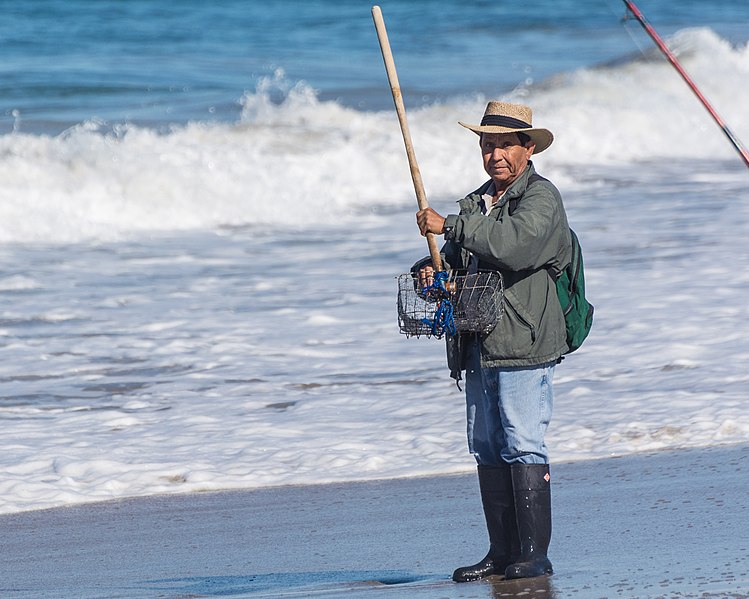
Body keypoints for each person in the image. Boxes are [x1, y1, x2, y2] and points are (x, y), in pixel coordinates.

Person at [414, 101, 571, 582]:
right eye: (488, 145)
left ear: (528, 148)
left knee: (523, 443)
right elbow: (463, 256)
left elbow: (514, 245)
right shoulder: (476, 202)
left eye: (506, 145)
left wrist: (450, 226)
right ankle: (501, 552)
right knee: (486, 444)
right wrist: (431, 270)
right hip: (478, 342)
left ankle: (533, 553)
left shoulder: (542, 199)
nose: (495, 154)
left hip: (523, 339)